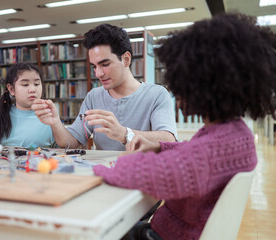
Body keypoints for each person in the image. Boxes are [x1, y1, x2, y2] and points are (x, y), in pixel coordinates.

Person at [93, 13, 276, 240]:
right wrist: (160, 146)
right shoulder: (233, 132)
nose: (174, 90)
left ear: (202, 86)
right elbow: (193, 151)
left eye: (179, 82)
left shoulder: (214, 147)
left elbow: (147, 173)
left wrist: (96, 171)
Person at [32, 23, 177, 150]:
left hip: (141, 173)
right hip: (102, 173)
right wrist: (55, 123)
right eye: (94, 66)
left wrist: (124, 134)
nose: (98, 73)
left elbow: (169, 140)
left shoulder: (157, 94)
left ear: (126, 59)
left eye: (105, 64)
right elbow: (73, 143)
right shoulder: (93, 97)